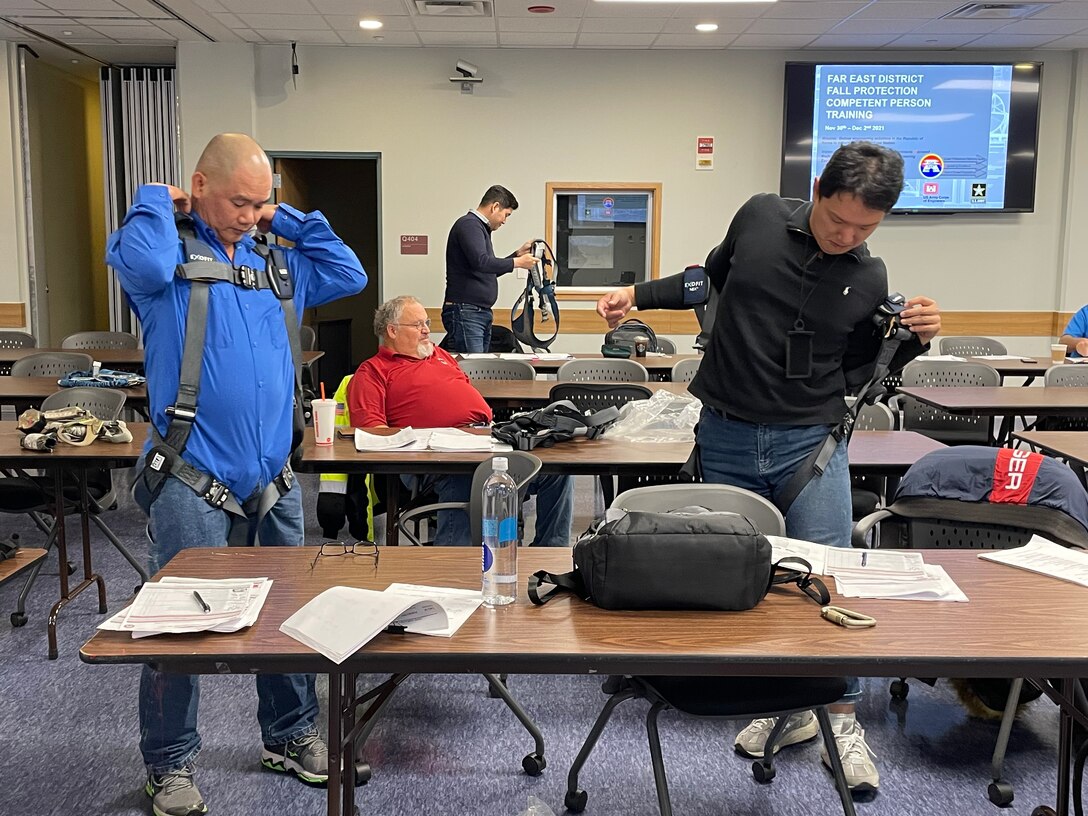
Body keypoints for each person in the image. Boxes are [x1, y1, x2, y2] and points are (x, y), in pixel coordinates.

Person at [595, 141, 942, 794]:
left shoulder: (867, 277)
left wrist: (913, 339)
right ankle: (780, 704)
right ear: (816, 189)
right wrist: (634, 293)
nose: (847, 237)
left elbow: (864, 373)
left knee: (827, 581)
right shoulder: (757, 218)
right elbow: (706, 281)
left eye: (865, 229)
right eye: (838, 220)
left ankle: (840, 721)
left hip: (809, 446)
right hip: (725, 432)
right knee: (740, 576)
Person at [107, 133, 367, 816]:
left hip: (271, 479)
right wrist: (154, 201)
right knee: (180, 629)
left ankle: (289, 735)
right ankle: (169, 765)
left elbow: (350, 273)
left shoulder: (277, 265)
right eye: (238, 201)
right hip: (192, 476)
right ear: (199, 185)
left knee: (288, 617)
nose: (250, 215)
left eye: (261, 203)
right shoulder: (167, 262)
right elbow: (139, 257)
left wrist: (284, 218)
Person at [347, 295, 573, 546]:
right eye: (418, 324)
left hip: (484, 440)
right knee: (467, 475)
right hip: (431, 459)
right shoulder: (373, 371)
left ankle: (551, 553)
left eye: (427, 322)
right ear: (392, 330)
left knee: (556, 469)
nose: (426, 330)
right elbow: (372, 434)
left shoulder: (440, 355)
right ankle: (455, 565)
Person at [442, 185, 538, 353]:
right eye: (506, 215)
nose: (504, 221)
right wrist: (517, 262)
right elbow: (482, 262)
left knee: (481, 369)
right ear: (495, 207)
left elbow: (485, 269)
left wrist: (517, 254)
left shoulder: (478, 228)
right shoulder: (469, 225)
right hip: (466, 312)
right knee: (474, 371)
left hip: (476, 312)